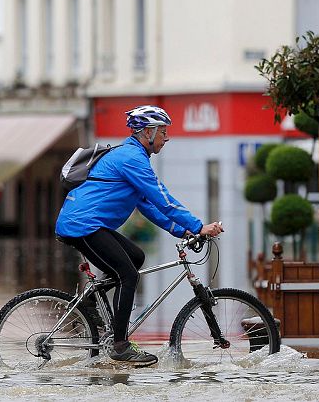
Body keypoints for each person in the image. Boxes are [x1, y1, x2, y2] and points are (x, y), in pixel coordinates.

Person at [55, 105, 224, 366]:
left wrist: (185, 230)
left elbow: (149, 206)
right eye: (163, 132)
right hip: (82, 224)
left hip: (89, 224)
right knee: (128, 275)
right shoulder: (131, 158)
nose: (166, 138)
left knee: (136, 257)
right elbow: (163, 198)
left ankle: (89, 303)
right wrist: (199, 225)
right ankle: (120, 346)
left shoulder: (134, 157)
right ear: (148, 132)